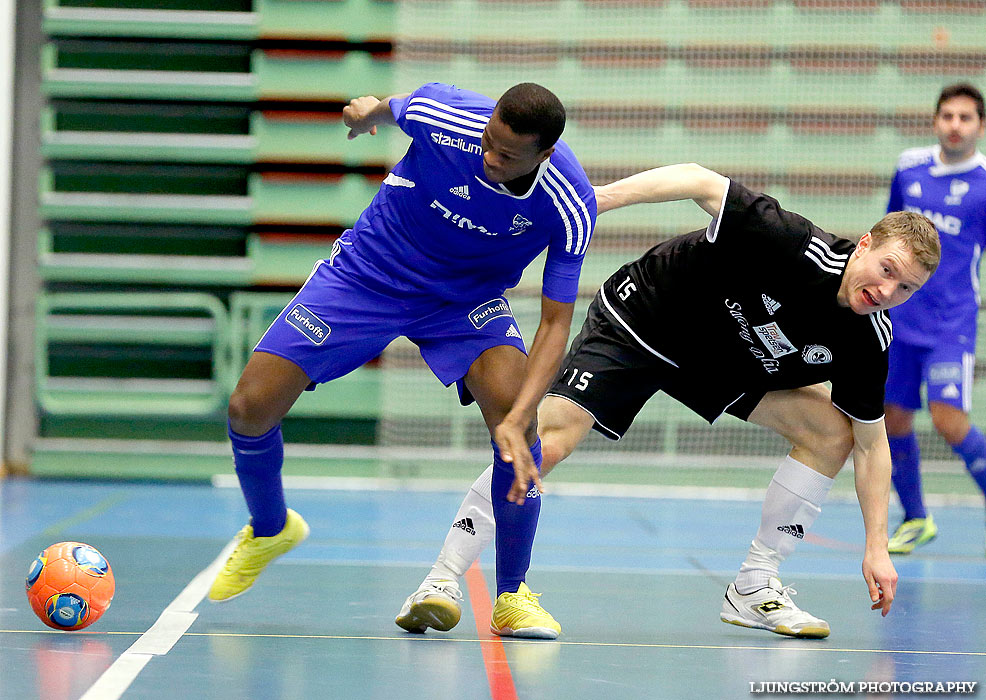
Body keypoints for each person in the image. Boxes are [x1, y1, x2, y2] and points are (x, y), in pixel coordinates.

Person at [396, 162, 940, 640]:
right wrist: (597, 201)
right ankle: (442, 579)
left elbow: (872, 445)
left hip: (722, 361)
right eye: (887, 270)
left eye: (906, 288)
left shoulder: (870, 339)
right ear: (865, 244)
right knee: (550, 439)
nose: (887, 291)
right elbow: (697, 180)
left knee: (832, 432)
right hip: (647, 317)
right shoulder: (791, 243)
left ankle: (756, 584)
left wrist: (876, 546)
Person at [207, 81, 597, 636]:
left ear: (545, 155)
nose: (489, 157)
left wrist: (518, 414)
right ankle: (270, 529)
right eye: (488, 141)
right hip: (367, 276)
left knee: (520, 421)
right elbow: (391, 108)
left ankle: (511, 596)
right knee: (249, 407)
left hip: (464, 302)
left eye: (507, 156)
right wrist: (369, 111)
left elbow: (556, 322)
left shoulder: (569, 201)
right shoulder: (448, 116)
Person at [883, 83, 986, 554]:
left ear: (979, 126)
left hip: (951, 323)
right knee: (891, 417)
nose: (955, 125)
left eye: (965, 118)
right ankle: (916, 518)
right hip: (900, 317)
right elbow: (888, 233)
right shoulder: (909, 169)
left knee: (949, 420)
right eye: (947, 115)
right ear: (935, 120)